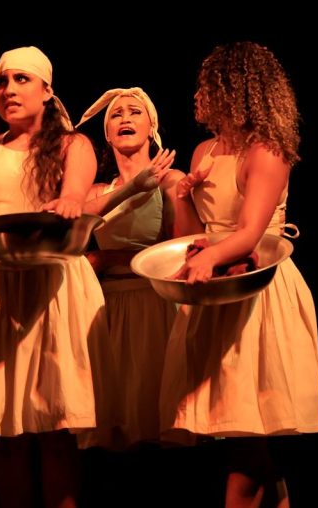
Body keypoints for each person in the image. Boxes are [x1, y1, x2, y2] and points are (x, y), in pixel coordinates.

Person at [0, 44, 117, 508]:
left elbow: (75, 193)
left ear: (47, 91)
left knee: (55, 426)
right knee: (6, 433)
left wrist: (69, 200)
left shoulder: (72, 144)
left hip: (50, 284)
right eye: (2, 81)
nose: (9, 90)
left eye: (21, 79)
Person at [161, 42, 318, 507]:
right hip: (219, 291)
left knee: (248, 434)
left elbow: (250, 232)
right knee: (241, 437)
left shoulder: (267, 151)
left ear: (234, 90)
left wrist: (208, 257)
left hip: (259, 292)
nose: (199, 95)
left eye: (207, 86)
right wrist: (182, 197)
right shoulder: (205, 151)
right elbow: (191, 237)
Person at [74, 87, 191, 448]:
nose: (125, 117)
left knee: (154, 417)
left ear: (151, 128)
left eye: (134, 112)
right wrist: (130, 188)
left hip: (154, 306)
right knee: (115, 428)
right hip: (106, 308)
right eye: (116, 114)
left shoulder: (171, 181)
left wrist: (109, 258)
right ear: (108, 135)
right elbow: (73, 228)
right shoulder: (96, 191)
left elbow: (182, 250)